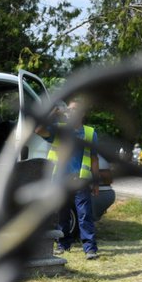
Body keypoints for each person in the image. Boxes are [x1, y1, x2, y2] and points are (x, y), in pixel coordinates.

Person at [41, 99, 100, 260]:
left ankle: (90, 249)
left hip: (81, 180)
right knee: (62, 214)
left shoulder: (90, 133)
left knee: (84, 215)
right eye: (69, 110)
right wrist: (54, 113)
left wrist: (96, 181)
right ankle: (62, 244)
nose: (71, 112)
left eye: (75, 110)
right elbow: (38, 129)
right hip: (61, 180)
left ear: (82, 113)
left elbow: (94, 159)